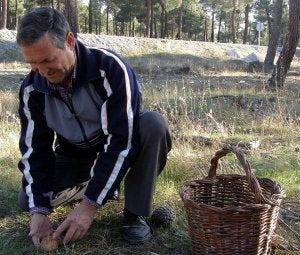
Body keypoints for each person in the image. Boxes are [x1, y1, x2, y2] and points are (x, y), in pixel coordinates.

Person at [16, 7, 171, 247]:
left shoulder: (110, 69)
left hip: (117, 146)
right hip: (73, 153)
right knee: (29, 200)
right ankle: (100, 186)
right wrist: (39, 212)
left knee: (153, 125)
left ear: (69, 41)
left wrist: (88, 208)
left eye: (47, 60)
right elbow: (35, 150)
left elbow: (122, 140)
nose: (43, 72)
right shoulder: (32, 88)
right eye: (33, 64)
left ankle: (134, 213)